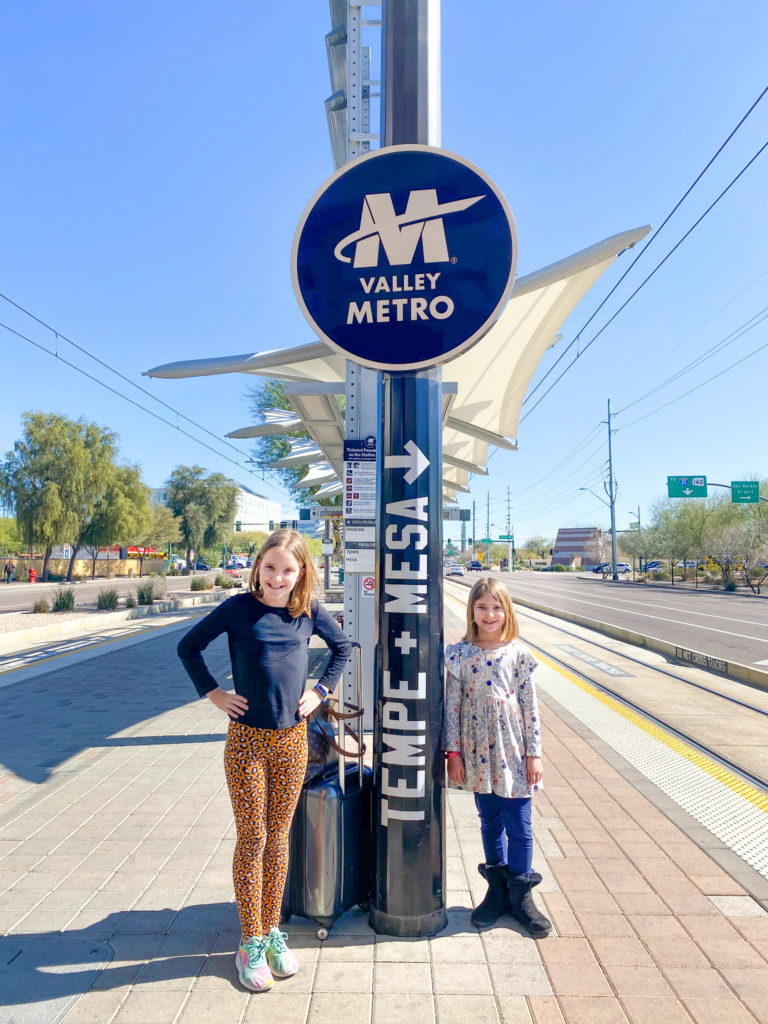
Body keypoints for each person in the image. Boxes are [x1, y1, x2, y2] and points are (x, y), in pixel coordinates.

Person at [177, 529, 351, 992]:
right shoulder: (239, 608)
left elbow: (343, 649)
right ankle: (248, 941)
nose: (278, 577)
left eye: (288, 570)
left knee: (278, 839)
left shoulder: (308, 610)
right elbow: (188, 647)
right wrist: (214, 695)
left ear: (301, 573)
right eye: (270, 567)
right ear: (259, 567)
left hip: (292, 742)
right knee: (252, 838)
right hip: (247, 744)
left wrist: (319, 692)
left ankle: (272, 931)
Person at [443, 576, 551, 937]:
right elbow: (452, 707)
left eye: (496, 607)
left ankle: (521, 897)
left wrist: (534, 754)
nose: (490, 614)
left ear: (507, 612)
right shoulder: (459, 655)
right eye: (482, 607)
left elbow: (530, 708)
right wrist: (452, 753)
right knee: (489, 821)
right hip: (475, 754)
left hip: (513, 753)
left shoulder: (519, 654)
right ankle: (497, 890)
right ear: (471, 610)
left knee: (519, 826)